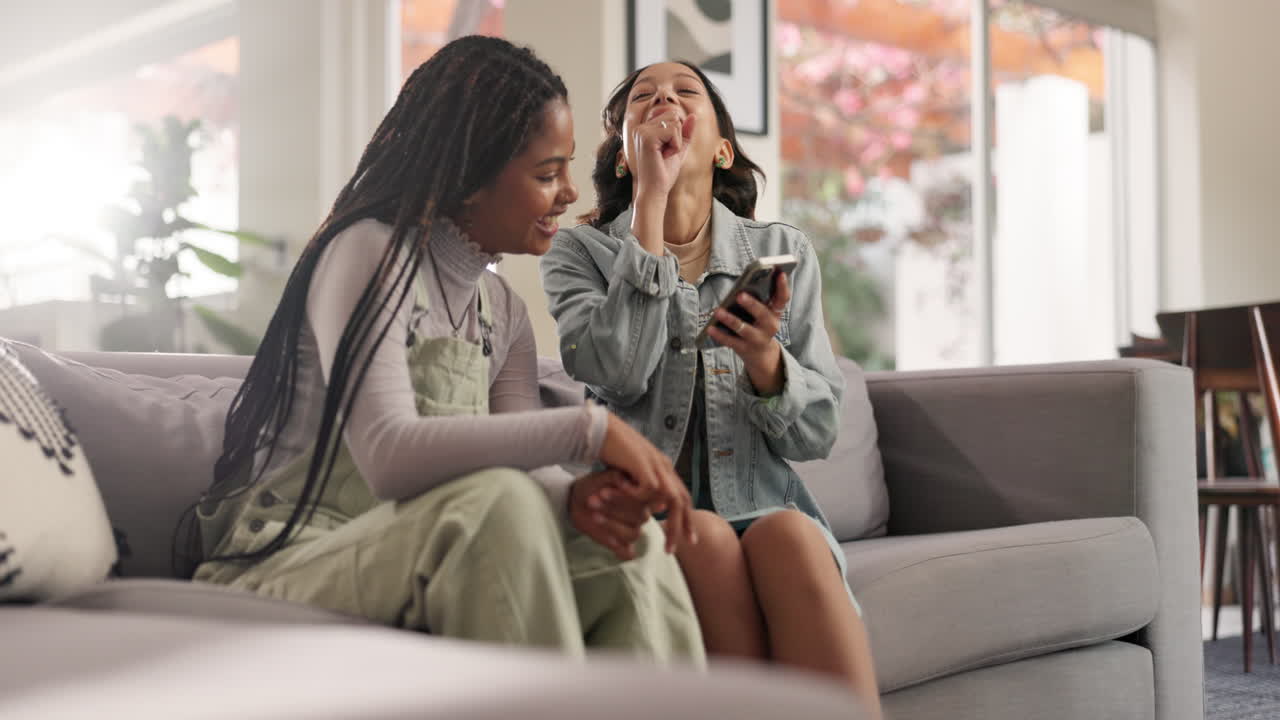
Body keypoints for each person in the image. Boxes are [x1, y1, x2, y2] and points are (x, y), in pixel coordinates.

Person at [178, 37, 703, 664]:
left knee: (630, 544)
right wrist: (588, 432)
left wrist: (576, 500)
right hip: (295, 552)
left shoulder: (502, 310)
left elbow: (520, 468)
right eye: (546, 173)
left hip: (418, 540)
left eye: (565, 169)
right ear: (469, 179)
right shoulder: (367, 252)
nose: (569, 193)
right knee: (497, 507)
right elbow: (388, 456)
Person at [539, 61, 882, 714]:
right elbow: (614, 370)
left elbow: (820, 434)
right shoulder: (578, 253)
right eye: (644, 98)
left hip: (765, 501)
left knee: (790, 535)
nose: (664, 99)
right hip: (649, 514)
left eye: (684, 92)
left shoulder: (784, 250)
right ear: (622, 155)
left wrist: (764, 361)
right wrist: (650, 207)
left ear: (722, 148)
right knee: (703, 535)